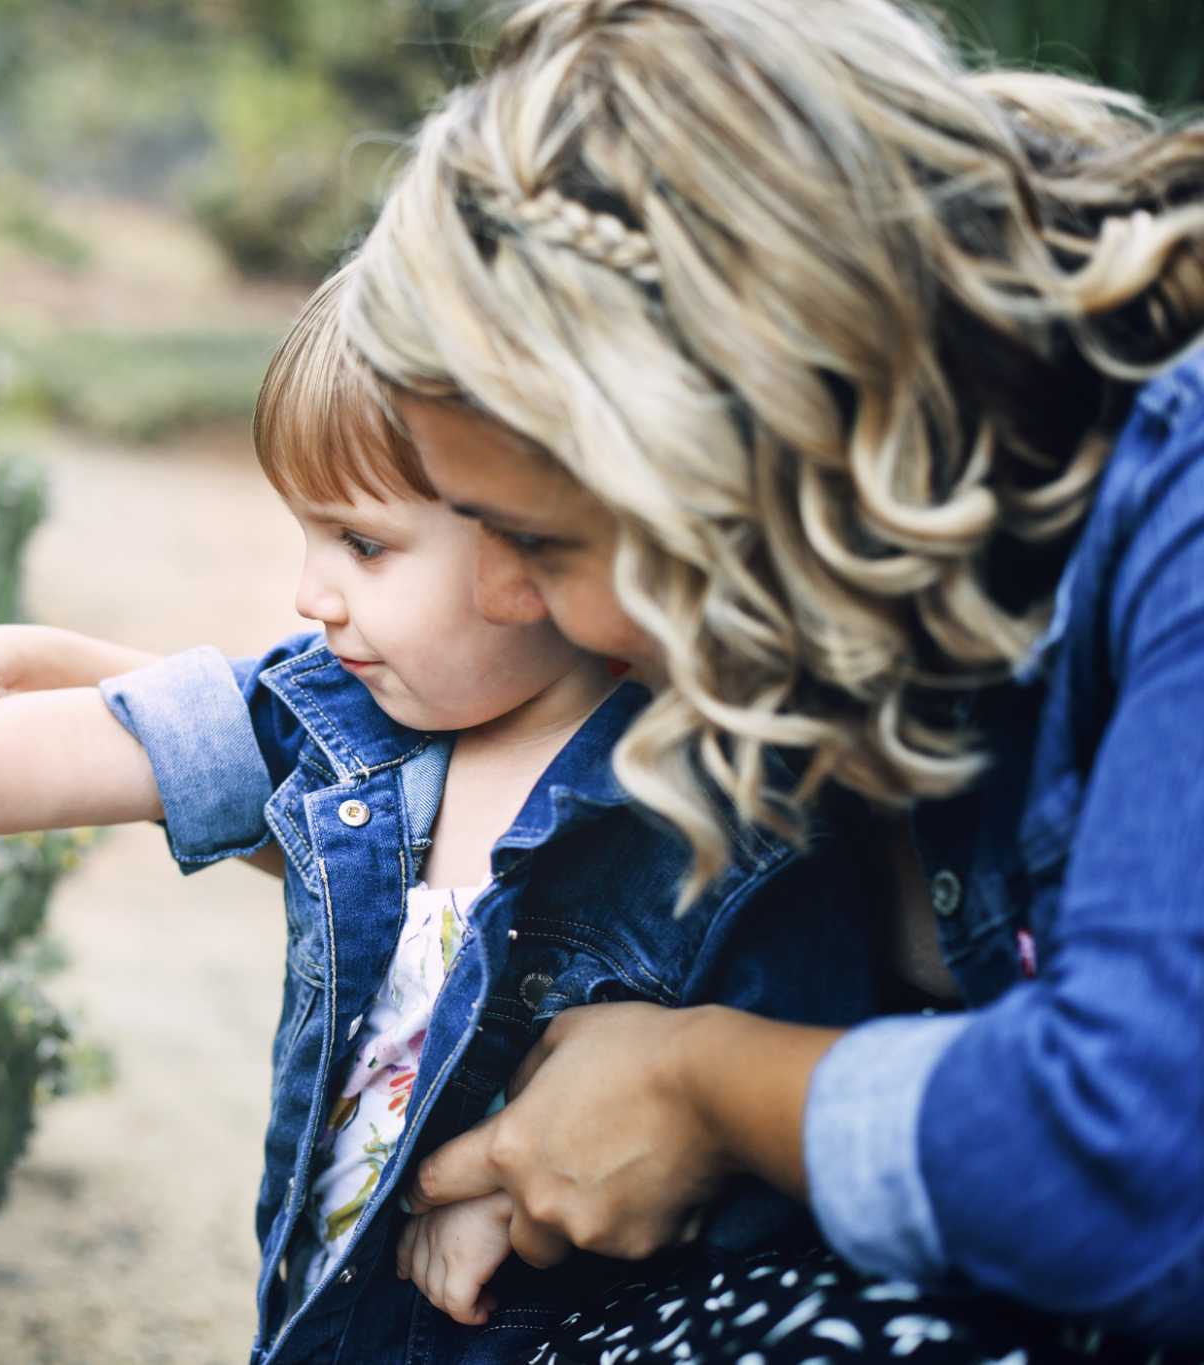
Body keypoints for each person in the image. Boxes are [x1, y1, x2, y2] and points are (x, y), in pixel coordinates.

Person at [0, 274, 881, 1362]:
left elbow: (773, 1149)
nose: (309, 595)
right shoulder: (361, 715)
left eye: (362, 546)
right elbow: (133, 739)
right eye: (308, 536)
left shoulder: (729, 826)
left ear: (539, 529)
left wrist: (519, 1205)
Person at [325, 0, 1204, 1355]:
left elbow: (1135, 1169)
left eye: (541, 544)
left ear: (738, 447)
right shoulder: (902, 552)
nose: (514, 602)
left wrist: (703, 1088)